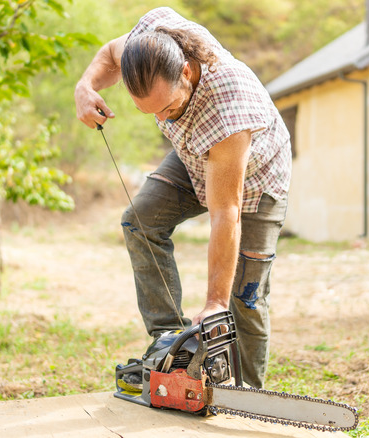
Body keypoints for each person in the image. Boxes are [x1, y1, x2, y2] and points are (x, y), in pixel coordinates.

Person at [74, 7, 291, 389]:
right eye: (153, 113)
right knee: (139, 220)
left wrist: (213, 302)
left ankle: (248, 396)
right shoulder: (146, 48)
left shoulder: (229, 105)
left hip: (256, 179)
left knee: (245, 299)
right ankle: (168, 346)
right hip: (193, 155)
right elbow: (110, 54)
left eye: (170, 107)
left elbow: (226, 212)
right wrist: (86, 86)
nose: (165, 119)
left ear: (186, 73)